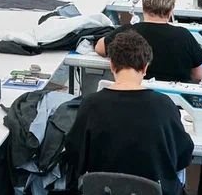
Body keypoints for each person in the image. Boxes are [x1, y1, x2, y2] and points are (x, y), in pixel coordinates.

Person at [67, 31, 194, 195]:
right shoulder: (164, 105)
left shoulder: (90, 104)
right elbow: (183, 155)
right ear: (145, 67)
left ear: (112, 65)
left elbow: (74, 153)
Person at [95, 0, 202, 83]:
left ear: (143, 7)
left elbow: (100, 48)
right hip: (174, 98)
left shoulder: (127, 32)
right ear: (171, 10)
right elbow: (198, 75)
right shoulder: (184, 36)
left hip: (135, 93)